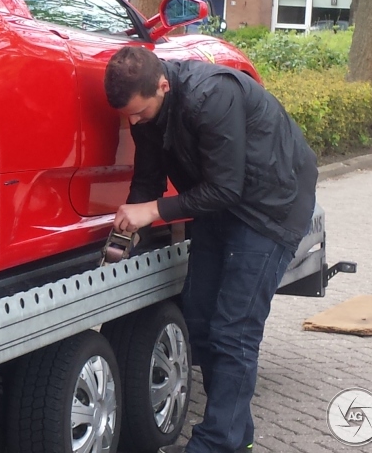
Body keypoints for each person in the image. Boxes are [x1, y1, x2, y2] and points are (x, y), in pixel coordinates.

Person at [104, 46, 317, 453]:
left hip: (270, 208)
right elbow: (148, 177)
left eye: (139, 113)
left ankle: (219, 443)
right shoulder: (147, 110)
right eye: (127, 116)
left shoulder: (212, 95)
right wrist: (132, 224)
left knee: (234, 330)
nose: (134, 123)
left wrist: (154, 210)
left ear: (163, 85)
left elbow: (226, 187)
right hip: (219, 205)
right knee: (200, 320)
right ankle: (238, 434)